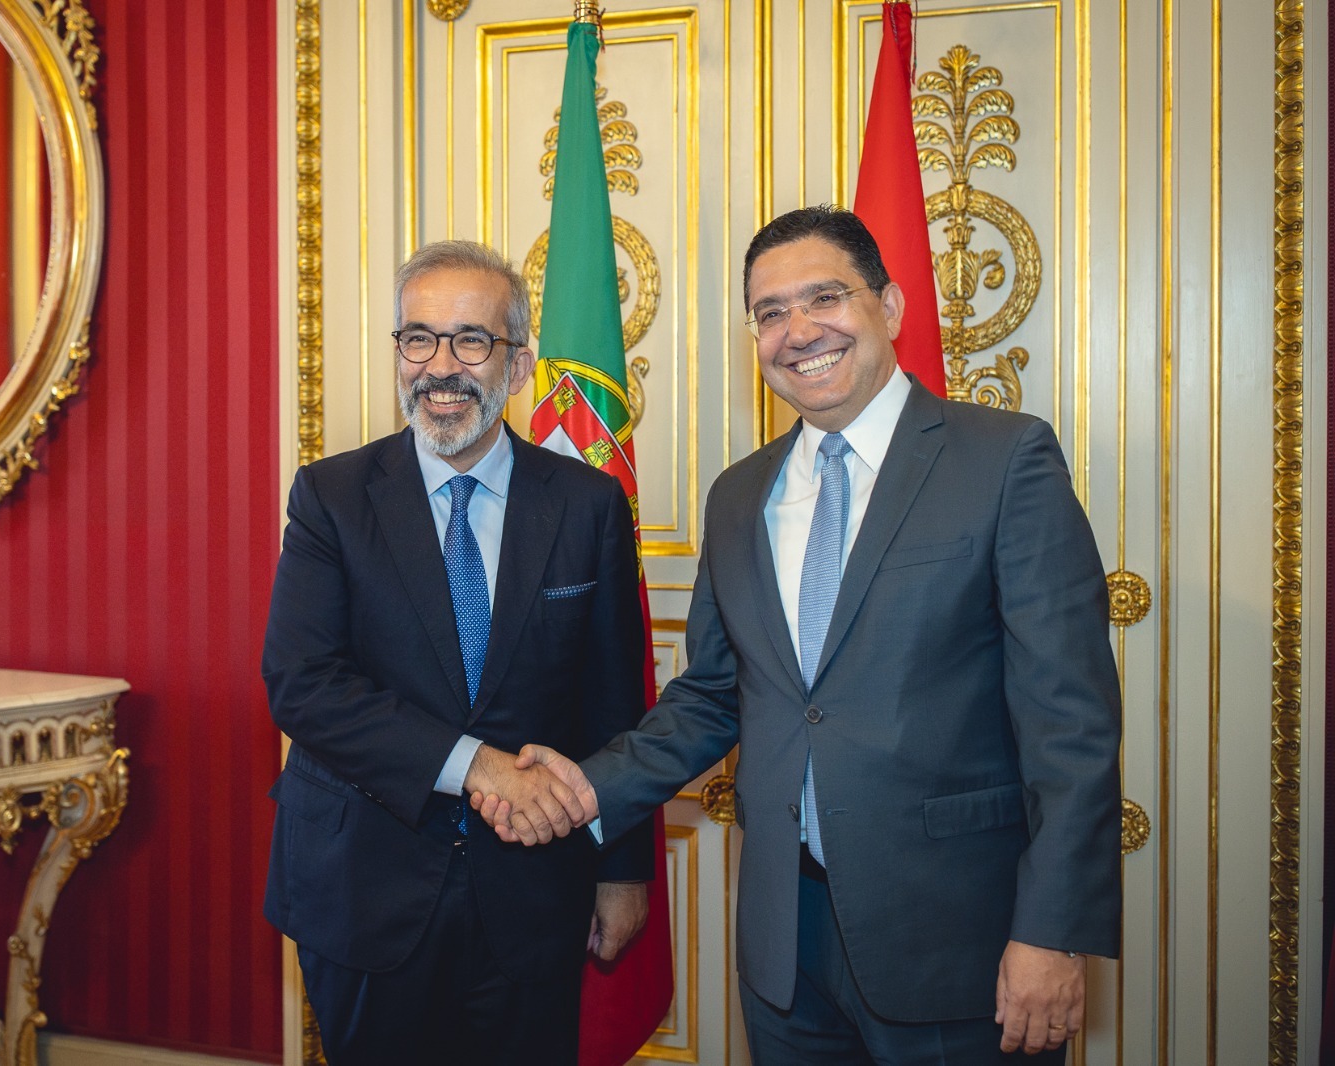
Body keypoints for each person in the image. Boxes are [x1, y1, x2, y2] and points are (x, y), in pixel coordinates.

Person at [475, 206, 1122, 1064]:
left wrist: (1052, 931)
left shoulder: (1004, 461)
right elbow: (713, 695)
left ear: (890, 306)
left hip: (959, 940)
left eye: (826, 297)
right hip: (786, 944)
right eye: (771, 312)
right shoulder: (740, 495)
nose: (800, 331)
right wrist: (587, 788)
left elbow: (1070, 724)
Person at [261, 240, 653, 1065]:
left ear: (518, 366)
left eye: (471, 340)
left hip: (534, 896)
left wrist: (622, 871)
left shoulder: (587, 505)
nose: (441, 367)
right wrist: (479, 766)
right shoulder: (331, 497)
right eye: (419, 338)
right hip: (363, 890)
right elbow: (304, 685)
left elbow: (615, 705)